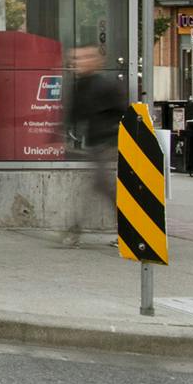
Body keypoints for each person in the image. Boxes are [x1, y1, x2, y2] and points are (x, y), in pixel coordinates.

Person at [61, 44, 124, 247]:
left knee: (102, 188)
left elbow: (123, 113)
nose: (77, 63)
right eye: (75, 59)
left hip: (109, 145)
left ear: (97, 61)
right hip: (96, 145)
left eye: (83, 58)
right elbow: (74, 113)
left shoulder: (105, 85)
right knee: (101, 188)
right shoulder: (81, 84)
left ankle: (75, 230)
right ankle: (76, 230)